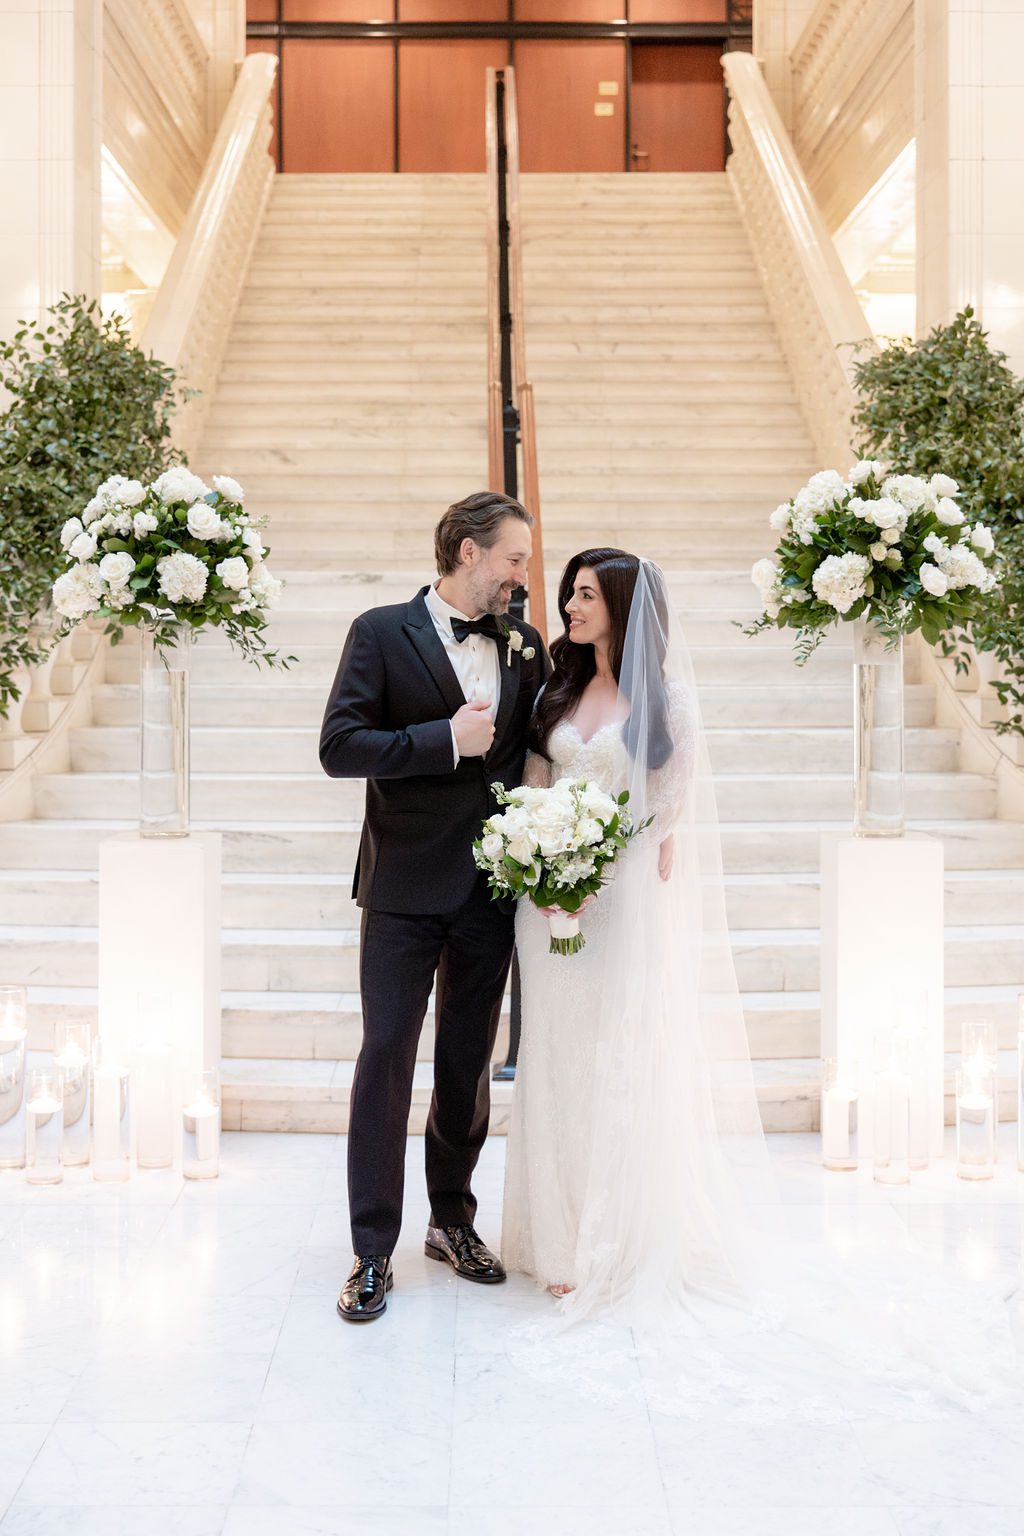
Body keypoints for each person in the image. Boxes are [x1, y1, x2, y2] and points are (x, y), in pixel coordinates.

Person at [319, 490, 548, 1322]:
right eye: (515, 559)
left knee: (465, 1068)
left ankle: (452, 1221)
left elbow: (536, 753)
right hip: (403, 890)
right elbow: (340, 748)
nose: (525, 575)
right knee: (385, 1059)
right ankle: (371, 1250)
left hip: (489, 891)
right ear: (467, 553)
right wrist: (444, 739)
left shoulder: (526, 646)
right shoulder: (380, 631)